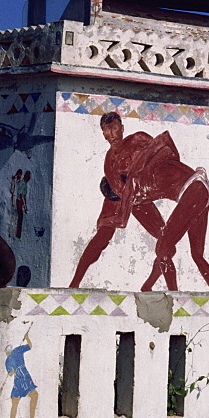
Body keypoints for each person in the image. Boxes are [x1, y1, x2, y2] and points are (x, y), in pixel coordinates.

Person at [69, 113, 166, 288]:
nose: (111, 134)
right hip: (121, 197)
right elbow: (120, 189)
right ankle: (74, 284)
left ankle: (148, 285)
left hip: (140, 196)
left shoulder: (139, 139)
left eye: (114, 128)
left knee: (167, 241)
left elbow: (161, 152)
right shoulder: (109, 160)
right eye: (106, 130)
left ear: (122, 128)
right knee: (101, 238)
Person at [3, 331, 38, 418]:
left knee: (15, 400)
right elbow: (30, 346)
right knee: (34, 395)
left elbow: (10, 374)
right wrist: (27, 337)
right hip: (24, 375)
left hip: (18, 378)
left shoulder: (8, 360)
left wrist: (12, 370)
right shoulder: (17, 350)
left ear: (7, 353)